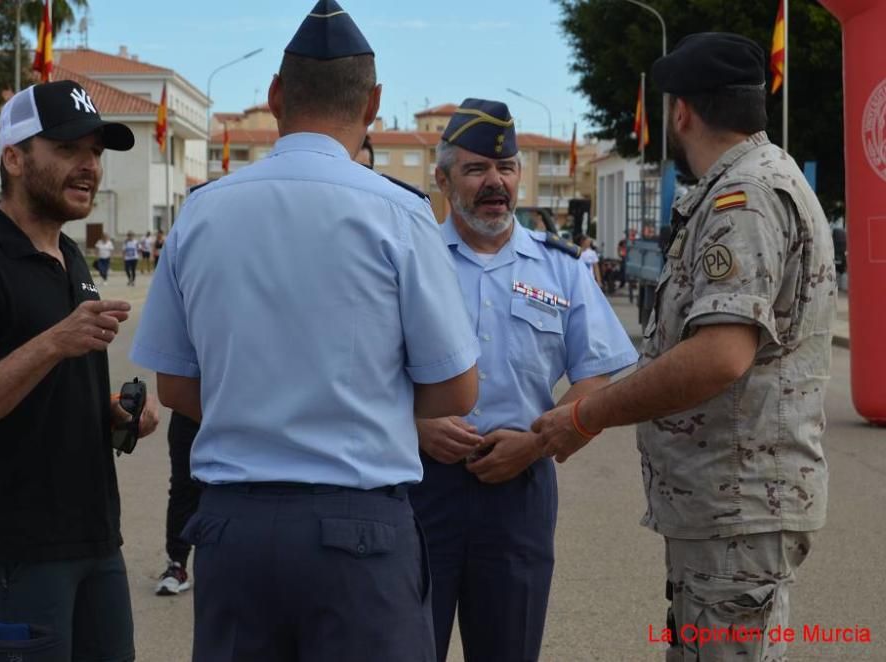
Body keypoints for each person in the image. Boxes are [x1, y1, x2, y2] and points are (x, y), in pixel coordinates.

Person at [130, 2, 479, 660]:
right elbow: (455, 393)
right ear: (374, 104)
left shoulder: (202, 213)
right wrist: (355, 408)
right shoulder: (400, 215)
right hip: (360, 536)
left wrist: (261, 407)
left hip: (234, 529)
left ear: (274, 96)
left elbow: (175, 384)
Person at [531, 33, 836, 662]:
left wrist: (587, 415)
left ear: (681, 112)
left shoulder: (744, 197)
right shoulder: (757, 181)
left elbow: (720, 354)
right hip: (730, 510)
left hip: (738, 511)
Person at [0, 79, 160, 661]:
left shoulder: (70, 257)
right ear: (14, 158)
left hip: (94, 535)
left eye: (96, 152)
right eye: (69, 149)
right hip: (14, 550)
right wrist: (52, 343)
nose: (89, 166)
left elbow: (44, 397)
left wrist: (114, 414)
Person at [409, 98, 638, 662]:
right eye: (476, 169)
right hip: (417, 486)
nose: (495, 182)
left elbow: (597, 378)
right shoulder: (408, 262)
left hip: (518, 494)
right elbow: (362, 370)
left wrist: (536, 444)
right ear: (442, 179)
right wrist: (413, 425)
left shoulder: (563, 268)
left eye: (506, 168)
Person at [154, 411, 202, 596]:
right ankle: (177, 564)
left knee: (232, 490)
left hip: (235, 415)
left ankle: (232, 566)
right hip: (188, 416)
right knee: (183, 489)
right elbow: (171, 391)